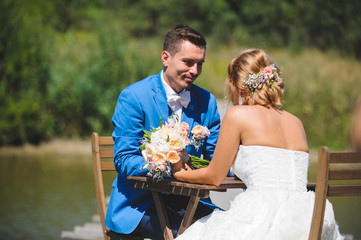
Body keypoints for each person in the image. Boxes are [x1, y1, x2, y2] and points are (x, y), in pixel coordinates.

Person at [172, 49, 344, 240]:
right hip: (310, 217)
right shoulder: (296, 122)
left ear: (239, 86)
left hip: (263, 215)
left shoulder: (238, 115)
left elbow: (214, 176)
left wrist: (180, 172)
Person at [105, 25, 221, 240]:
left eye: (200, 64)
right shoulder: (134, 97)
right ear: (166, 58)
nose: (195, 71)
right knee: (195, 236)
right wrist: (168, 165)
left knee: (236, 227)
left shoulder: (207, 102)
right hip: (140, 204)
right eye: (188, 62)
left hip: (191, 202)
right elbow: (123, 160)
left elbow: (216, 158)